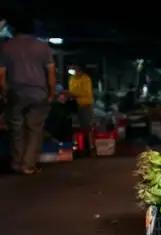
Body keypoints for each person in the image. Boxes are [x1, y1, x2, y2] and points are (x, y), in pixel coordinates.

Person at [0, 15, 56, 175]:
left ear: (14, 29)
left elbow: (1, 75)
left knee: (16, 129)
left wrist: (4, 93)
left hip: (15, 93)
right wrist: (51, 93)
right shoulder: (42, 47)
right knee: (34, 129)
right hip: (38, 94)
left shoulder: (6, 47)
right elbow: (51, 73)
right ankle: (27, 165)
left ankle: (17, 163)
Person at [68, 64, 94, 156]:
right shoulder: (72, 79)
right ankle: (77, 147)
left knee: (87, 126)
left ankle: (90, 147)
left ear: (80, 70)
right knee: (75, 127)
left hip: (85, 105)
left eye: (74, 70)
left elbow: (85, 91)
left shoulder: (86, 79)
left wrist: (72, 94)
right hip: (75, 105)